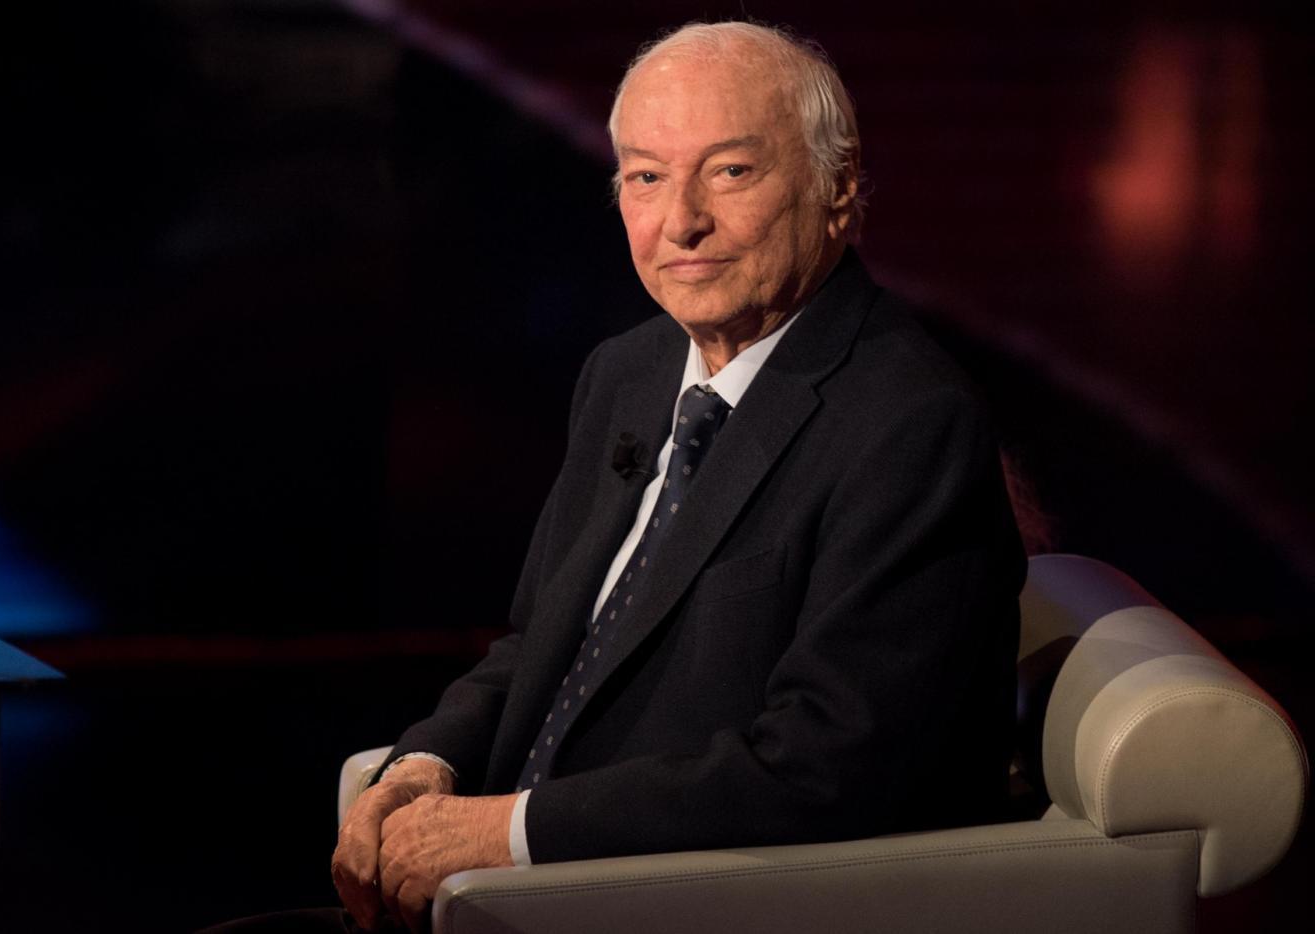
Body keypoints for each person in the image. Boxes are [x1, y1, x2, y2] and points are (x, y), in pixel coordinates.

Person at [209, 20, 1025, 934]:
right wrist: (427, 765)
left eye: (730, 171)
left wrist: (505, 834)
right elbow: (540, 644)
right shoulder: (629, 373)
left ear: (837, 187)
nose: (682, 222)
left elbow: (824, 768)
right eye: (645, 178)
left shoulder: (908, 422)